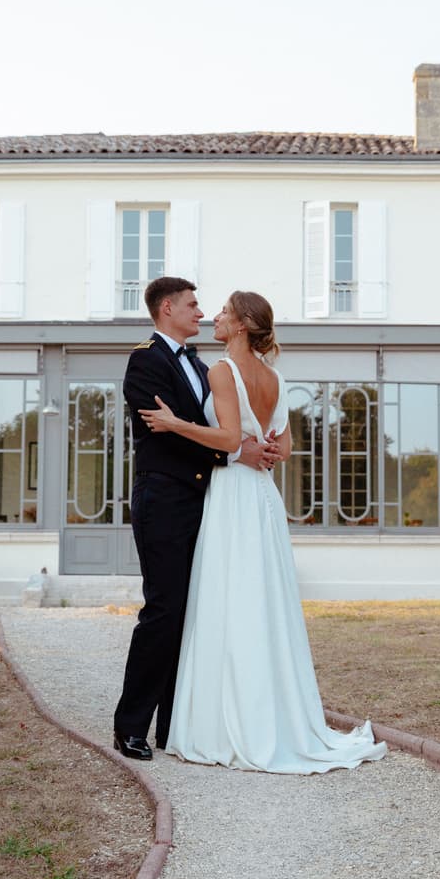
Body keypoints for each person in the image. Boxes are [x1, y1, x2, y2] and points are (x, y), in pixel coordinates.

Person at [139, 290, 387, 773]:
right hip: (264, 496)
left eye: (225, 313)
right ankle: (268, 711)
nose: (215, 316)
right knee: (260, 599)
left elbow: (230, 440)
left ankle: (229, 720)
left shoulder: (221, 371)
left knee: (228, 597)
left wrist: (175, 424)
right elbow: (286, 448)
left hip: (232, 493)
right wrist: (267, 449)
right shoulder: (274, 376)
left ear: (244, 325)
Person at [112, 277, 277, 761]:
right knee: (163, 610)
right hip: (163, 500)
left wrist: (242, 446)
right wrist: (234, 453)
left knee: (192, 613)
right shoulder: (145, 359)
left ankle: (174, 726)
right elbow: (164, 435)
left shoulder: (204, 366)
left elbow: (218, 429)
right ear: (167, 308)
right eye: (192, 304)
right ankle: (131, 726)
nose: (201, 312)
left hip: (206, 502)